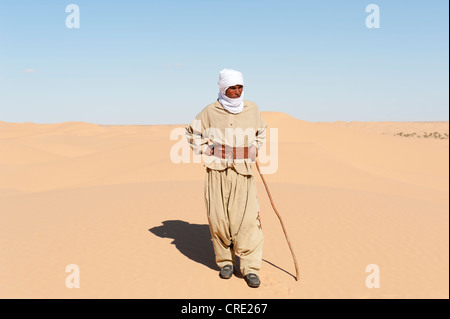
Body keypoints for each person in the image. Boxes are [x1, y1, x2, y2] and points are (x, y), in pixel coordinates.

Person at [185, 69, 267, 288]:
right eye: (232, 87)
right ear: (223, 88)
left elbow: (262, 132)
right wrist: (207, 149)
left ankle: (250, 267)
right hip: (217, 172)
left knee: (248, 220)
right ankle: (225, 262)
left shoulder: (252, 109)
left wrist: (254, 148)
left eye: (240, 87)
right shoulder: (210, 111)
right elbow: (192, 132)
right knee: (219, 218)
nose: (237, 91)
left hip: (243, 171)